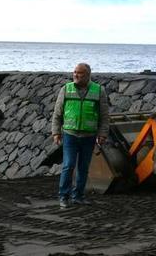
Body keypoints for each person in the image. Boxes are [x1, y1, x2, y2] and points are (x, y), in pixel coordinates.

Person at [51, 63, 110, 208]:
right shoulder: (66, 89)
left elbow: (104, 115)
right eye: (75, 72)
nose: (76, 75)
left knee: (83, 167)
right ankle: (64, 196)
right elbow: (57, 114)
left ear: (88, 75)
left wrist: (102, 133)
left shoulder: (98, 90)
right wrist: (56, 132)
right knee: (68, 165)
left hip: (89, 136)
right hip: (70, 135)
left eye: (80, 73)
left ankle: (78, 196)